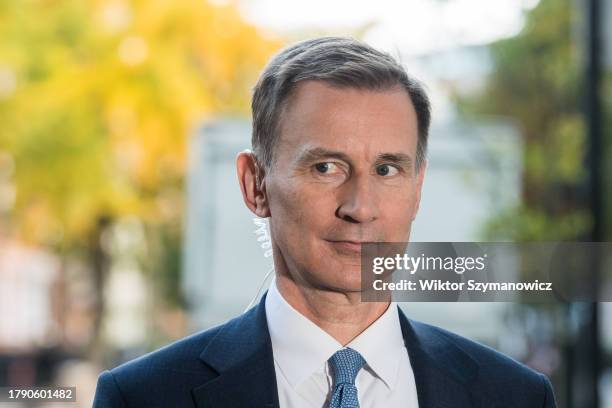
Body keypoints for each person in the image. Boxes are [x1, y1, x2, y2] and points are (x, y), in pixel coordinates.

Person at [93, 37, 557, 408]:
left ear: (417, 190)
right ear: (255, 185)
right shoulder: (144, 397)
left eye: (386, 169)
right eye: (326, 167)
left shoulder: (515, 396)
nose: (359, 206)